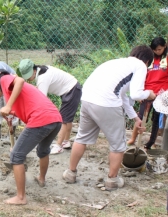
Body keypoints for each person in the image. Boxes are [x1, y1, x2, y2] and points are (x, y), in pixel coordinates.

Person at [62, 45, 156, 191]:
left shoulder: (116, 63)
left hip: (87, 99)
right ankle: (112, 180)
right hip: (106, 103)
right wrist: (149, 94)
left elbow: (123, 96)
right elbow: (137, 94)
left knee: (82, 137)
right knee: (118, 145)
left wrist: (135, 118)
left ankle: (70, 173)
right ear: (147, 61)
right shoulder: (140, 65)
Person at [0, 69, 62, 205]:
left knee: (16, 155)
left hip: (41, 119)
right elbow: (24, 109)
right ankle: (41, 179)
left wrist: (8, 106)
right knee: (43, 150)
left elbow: (19, 80)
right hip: (55, 119)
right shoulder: (17, 92)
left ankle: (21, 197)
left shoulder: (4, 78)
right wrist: (11, 115)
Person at [18, 59, 82, 154]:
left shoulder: (42, 78)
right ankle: (66, 141)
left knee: (63, 119)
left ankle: (58, 145)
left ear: (34, 70)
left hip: (71, 90)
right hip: (72, 88)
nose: (28, 79)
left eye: (29, 75)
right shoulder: (41, 69)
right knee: (68, 118)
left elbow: (41, 101)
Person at [127, 37, 168, 150]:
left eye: (159, 49)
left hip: (161, 95)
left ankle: (151, 142)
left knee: (156, 119)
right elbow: (141, 77)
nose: (157, 52)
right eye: (154, 50)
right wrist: (140, 93)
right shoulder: (148, 59)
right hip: (147, 92)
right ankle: (133, 138)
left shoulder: (166, 59)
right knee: (140, 116)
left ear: (165, 47)